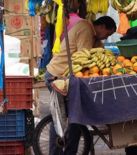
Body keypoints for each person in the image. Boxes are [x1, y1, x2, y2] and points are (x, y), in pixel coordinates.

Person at [44, 16, 117, 155]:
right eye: (107, 34)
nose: (106, 37)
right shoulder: (85, 29)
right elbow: (84, 57)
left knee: (75, 115)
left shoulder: (91, 33)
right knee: (62, 116)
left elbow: (95, 51)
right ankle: (57, 152)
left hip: (65, 76)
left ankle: (69, 151)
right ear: (102, 27)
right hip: (57, 75)